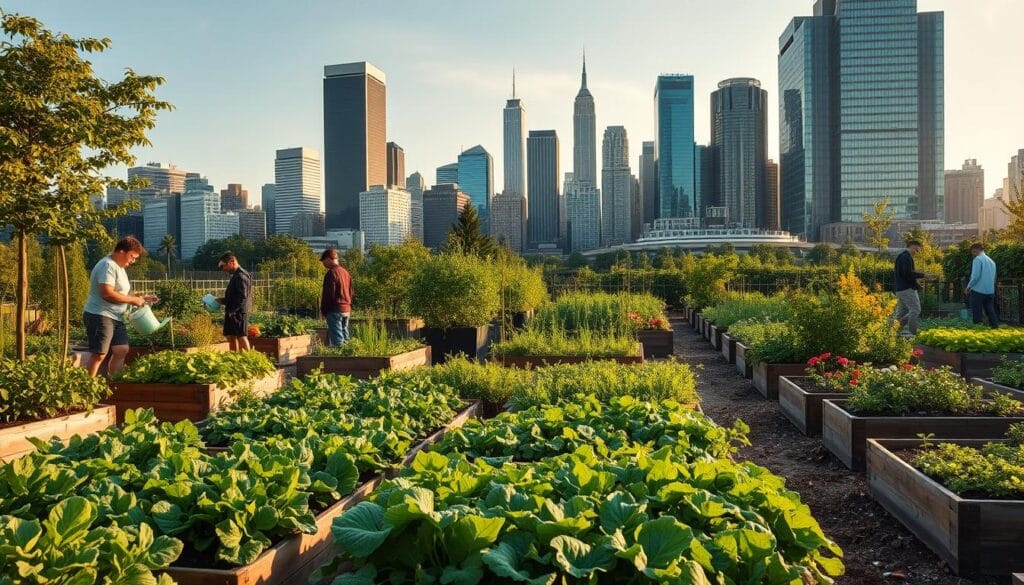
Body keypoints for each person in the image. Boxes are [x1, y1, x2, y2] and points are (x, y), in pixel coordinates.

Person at [83, 236, 151, 377]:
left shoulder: (120, 268)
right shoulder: (107, 265)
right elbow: (107, 293)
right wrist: (132, 300)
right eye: (132, 257)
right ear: (121, 251)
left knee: (121, 349)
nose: (132, 261)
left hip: (116, 316)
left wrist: (139, 299)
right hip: (100, 314)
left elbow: (121, 292)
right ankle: (86, 389)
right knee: (99, 354)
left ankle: (115, 385)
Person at [217, 252, 252, 351]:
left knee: (241, 336)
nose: (223, 269)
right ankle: (234, 360)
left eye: (223, 266)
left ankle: (248, 360)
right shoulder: (237, 275)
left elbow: (242, 297)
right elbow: (236, 295)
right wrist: (222, 300)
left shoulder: (241, 276)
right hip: (233, 311)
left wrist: (233, 311)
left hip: (238, 312)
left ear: (232, 262)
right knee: (232, 336)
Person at [320, 248, 353, 346]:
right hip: (346, 309)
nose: (323, 264)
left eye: (323, 261)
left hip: (335, 310)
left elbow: (328, 294)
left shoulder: (331, 273)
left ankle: (340, 360)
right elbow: (351, 291)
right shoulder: (345, 272)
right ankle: (349, 357)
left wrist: (324, 310)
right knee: (345, 338)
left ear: (329, 259)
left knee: (337, 340)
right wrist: (349, 304)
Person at [893, 240, 926, 335]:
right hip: (906, 289)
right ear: (912, 246)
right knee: (915, 309)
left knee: (901, 311)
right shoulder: (906, 257)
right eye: (916, 250)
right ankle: (913, 333)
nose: (916, 253)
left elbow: (905, 274)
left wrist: (917, 284)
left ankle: (893, 333)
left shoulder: (901, 256)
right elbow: (908, 274)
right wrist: (922, 275)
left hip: (900, 289)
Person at [965, 242, 998, 328]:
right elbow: (994, 277)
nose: (972, 254)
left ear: (975, 250)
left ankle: (978, 330)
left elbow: (975, 276)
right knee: (990, 311)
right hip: (990, 291)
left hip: (978, 291)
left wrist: (968, 287)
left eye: (972, 252)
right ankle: (994, 328)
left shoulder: (978, 259)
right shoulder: (991, 261)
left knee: (977, 312)